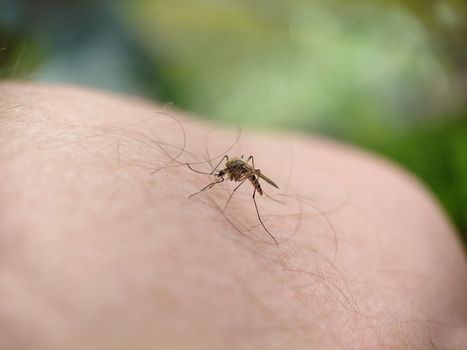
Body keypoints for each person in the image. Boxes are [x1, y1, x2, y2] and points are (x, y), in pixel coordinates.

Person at [1, 82, 466, 349]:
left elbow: (239, 171)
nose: (226, 175)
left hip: (261, 175)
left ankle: (263, 205)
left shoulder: (242, 172)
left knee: (256, 189)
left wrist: (235, 182)